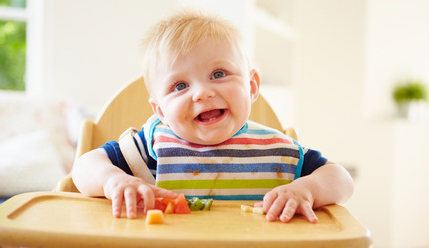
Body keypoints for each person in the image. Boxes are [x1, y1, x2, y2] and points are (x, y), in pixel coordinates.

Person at [72, 10, 353, 224]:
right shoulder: (152, 147)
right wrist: (113, 180)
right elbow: (84, 167)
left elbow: (340, 179)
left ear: (251, 86)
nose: (202, 93)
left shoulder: (275, 151)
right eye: (180, 86)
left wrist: (307, 189)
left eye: (218, 74)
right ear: (160, 112)